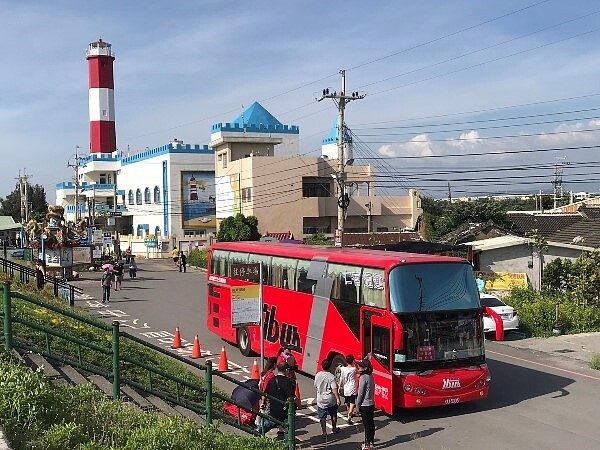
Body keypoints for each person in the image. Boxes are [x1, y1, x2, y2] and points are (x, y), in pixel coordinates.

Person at [261, 361, 296, 439]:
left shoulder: (271, 380)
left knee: (268, 424)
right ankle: (288, 445)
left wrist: (263, 403)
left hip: (273, 410)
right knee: (288, 429)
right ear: (287, 370)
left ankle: (257, 432)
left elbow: (265, 394)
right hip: (285, 412)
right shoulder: (289, 382)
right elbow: (291, 397)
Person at [314, 358, 341, 437]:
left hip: (321, 398)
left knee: (322, 416)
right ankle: (334, 428)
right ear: (329, 367)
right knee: (333, 414)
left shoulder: (318, 375)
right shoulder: (331, 376)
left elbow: (315, 385)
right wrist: (338, 399)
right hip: (330, 399)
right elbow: (334, 389)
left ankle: (324, 432)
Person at [356, 358, 375, 450]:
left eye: (360, 366)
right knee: (371, 423)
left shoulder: (363, 378)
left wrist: (357, 405)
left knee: (366, 425)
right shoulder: (371, 376)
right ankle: (371, 442)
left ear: (365, 368)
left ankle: (367, 445)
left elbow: (360, 394)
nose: (358, 366)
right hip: (371, 403)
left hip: (365, 405)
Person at [339, 354, 358, 423]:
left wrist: (340, 387)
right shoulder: (354, 369)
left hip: (346, 387)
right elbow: (359, 371)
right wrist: (355, 363)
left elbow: (341, 378)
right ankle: (349, 415)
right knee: (352, 401)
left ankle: (349, 412)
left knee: (347, 401)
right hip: (352, 387)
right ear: (352, 361)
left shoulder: (343, 369)